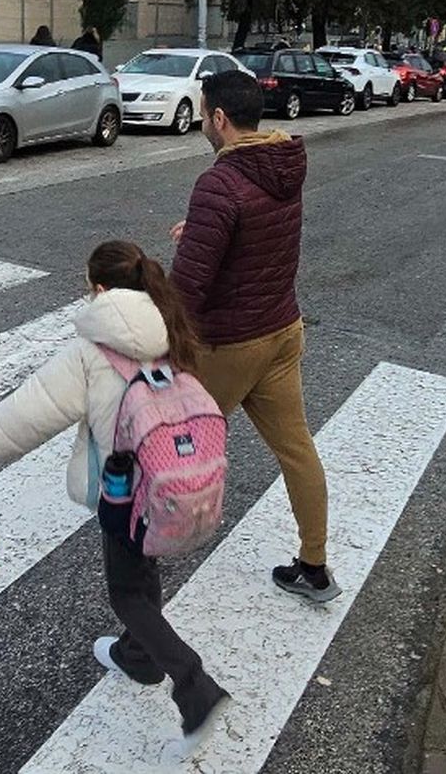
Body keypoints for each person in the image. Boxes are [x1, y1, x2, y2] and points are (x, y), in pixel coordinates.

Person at [0, 240, 232, 745]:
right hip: (169, 485)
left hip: (122, 493)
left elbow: (29, 412)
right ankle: (138, 657)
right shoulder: (171, 331)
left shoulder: (90, 352)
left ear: (99, 290)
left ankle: (193, 684)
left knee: (125, 592)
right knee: (143, 569)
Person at [169, 70, 340, 603]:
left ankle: (138, 559)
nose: (201, 122)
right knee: (297, 450)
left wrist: (154, 341)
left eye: (202, 113)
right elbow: (257, 233)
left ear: (219, 119)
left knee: (169, 441)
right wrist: (197, 230)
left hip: (232, 343)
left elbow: (189, 287)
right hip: (283, 333)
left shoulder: (219, 182)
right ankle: (315, 566)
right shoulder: (284, 163)